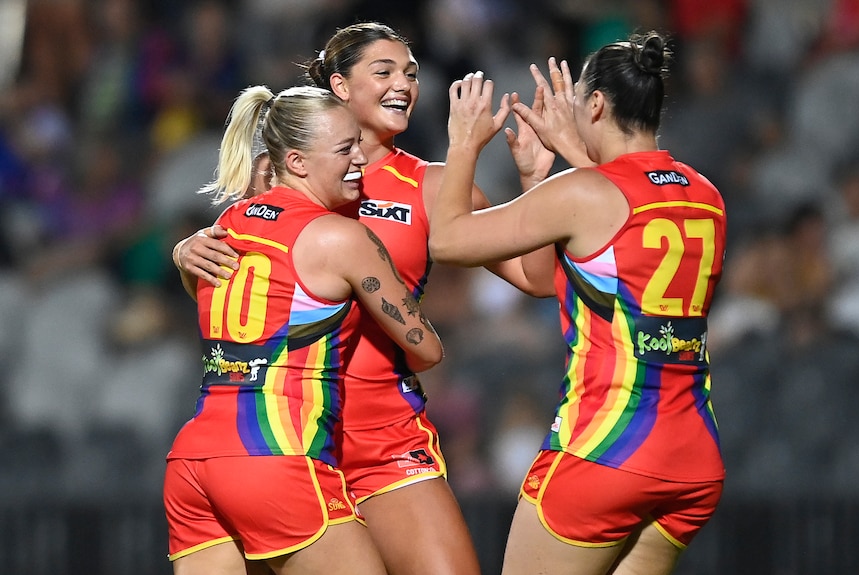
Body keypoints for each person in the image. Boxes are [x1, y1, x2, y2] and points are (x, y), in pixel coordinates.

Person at [172, 22, 573, 575]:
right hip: (283, 432)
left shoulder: (434, 185)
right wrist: (187, 253)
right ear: (339, 86)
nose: (403, 84)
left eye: (409, 73)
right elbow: (238, 284)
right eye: (382, 72)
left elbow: (537, 277)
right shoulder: (282, 177)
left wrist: (534, 181)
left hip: (381, 439)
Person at [429, 31, 727, 575]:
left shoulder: (582, 196)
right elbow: (551, 277)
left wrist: (464, 145)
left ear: (594, 104)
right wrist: (542, 174)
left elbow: (446, 240)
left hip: (608, 450)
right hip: (692, 459)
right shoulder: (706, 194)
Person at [163, 84, 443, 575]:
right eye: (345, 149)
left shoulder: (226, 224)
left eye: (357, 142)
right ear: (295, 161)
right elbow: (425, 347)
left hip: (194, 460)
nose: (360, 158)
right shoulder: (341, 236)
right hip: (275, 453)